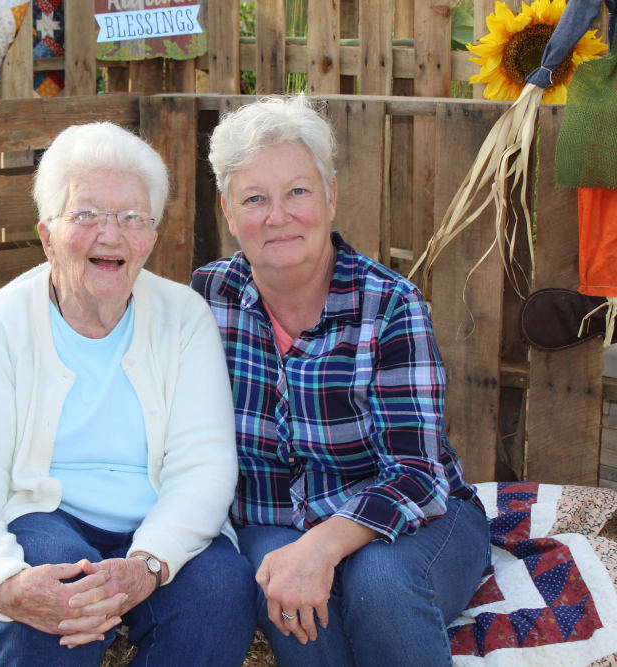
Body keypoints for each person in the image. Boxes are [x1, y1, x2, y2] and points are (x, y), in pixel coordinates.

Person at [0, 121, 255, 666]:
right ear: (47, 235)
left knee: (222, 591)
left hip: (156, 523)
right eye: (87, 215)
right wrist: (5, 584)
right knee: (60, 602)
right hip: (38, 517)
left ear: (151, 235)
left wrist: (149, 563)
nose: (111, 235)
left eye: (131, 218)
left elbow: (205, 466)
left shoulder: (184, 318)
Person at [191, 96, 491, 667]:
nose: (278, 216)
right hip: (271, 519)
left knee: (379, 587)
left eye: (298, 192)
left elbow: (419, 474)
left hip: (413, 517)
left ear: (330, 197)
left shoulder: (389, 304)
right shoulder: (205, 299)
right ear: (229, 213)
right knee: (297, 610)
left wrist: (324, 545)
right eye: (255, 198)